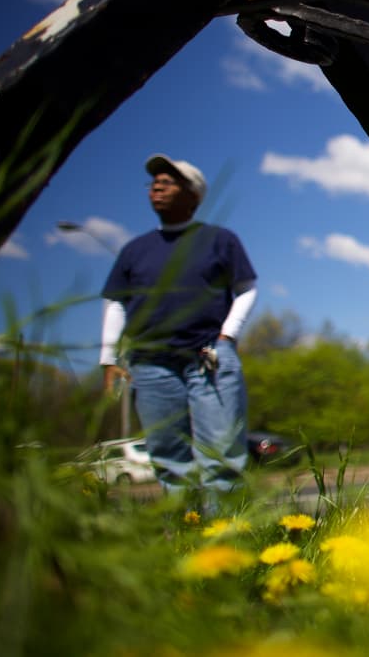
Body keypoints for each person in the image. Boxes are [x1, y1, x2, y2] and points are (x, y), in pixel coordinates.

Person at [99, 154, 258, 505]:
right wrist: (108, 357)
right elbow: (116, 302)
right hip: (151, 364)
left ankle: (226, 531)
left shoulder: (219, 240)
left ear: (193, 195)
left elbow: (246, 288)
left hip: (208, 357)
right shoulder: (134, 250)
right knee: (168, 456)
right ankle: (185, 528)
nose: (157, 187)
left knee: (221, 454)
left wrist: (227, 335)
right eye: (154, 182)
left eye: (168, 182)